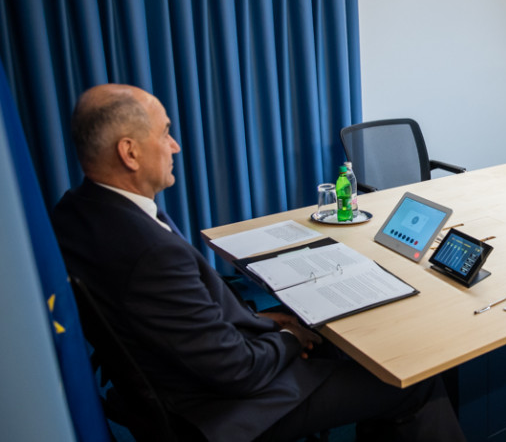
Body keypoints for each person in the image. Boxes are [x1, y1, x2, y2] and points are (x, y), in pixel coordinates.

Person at [51, 84, 465, 442]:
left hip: (178, 378)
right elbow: (238, 371)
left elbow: (182, 317)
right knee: (412, 380)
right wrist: (289, 339)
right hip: (224, 409)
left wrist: (263, 320)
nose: (174, 145)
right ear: (130, 153)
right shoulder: (148, 253)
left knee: (334, 338)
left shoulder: (75, 213)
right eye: (165, 134)